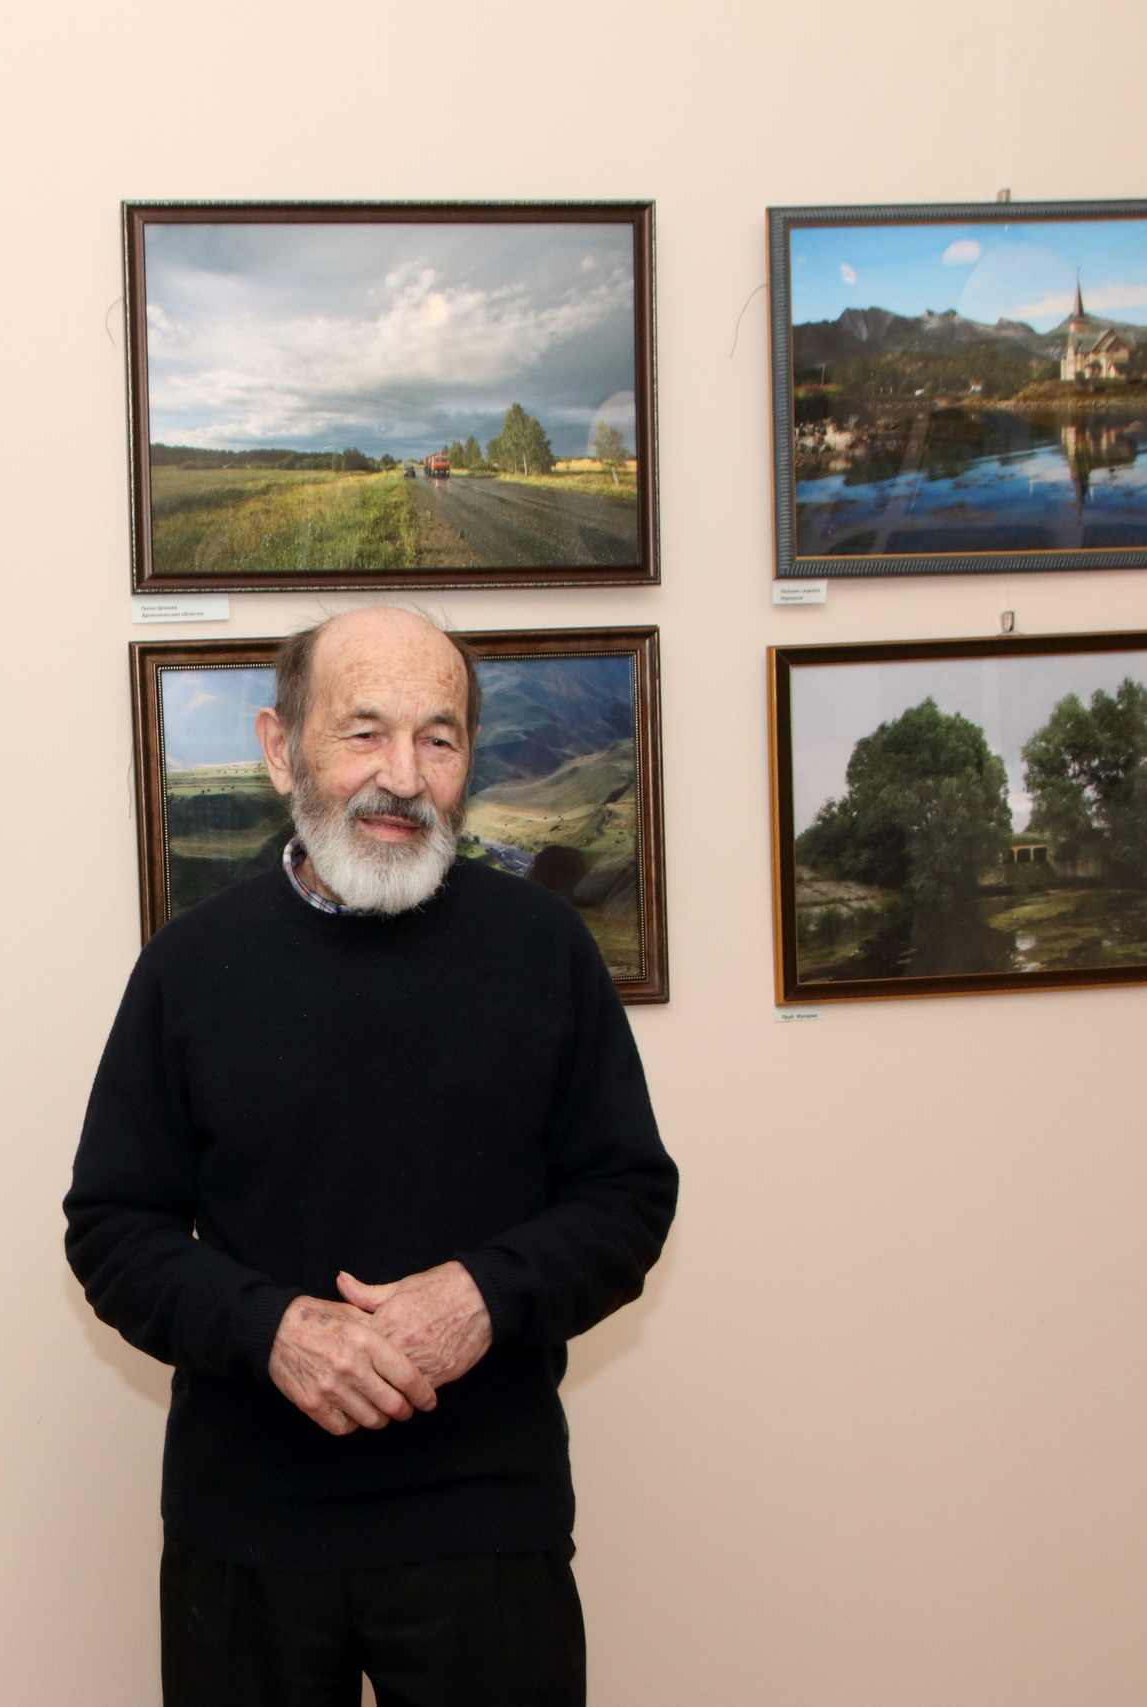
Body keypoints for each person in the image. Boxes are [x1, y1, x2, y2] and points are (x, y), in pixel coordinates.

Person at [65, 606, 677, 1707]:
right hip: (246, 1537)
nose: (402, 775)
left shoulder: (543, 950)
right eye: (363, 733)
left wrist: (482, 1297)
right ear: (276, 745)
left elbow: (627, 1196)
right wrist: (275, 1330)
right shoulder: (190, 966)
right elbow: (114, 1231)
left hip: (485, 1527)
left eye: (438, 740)